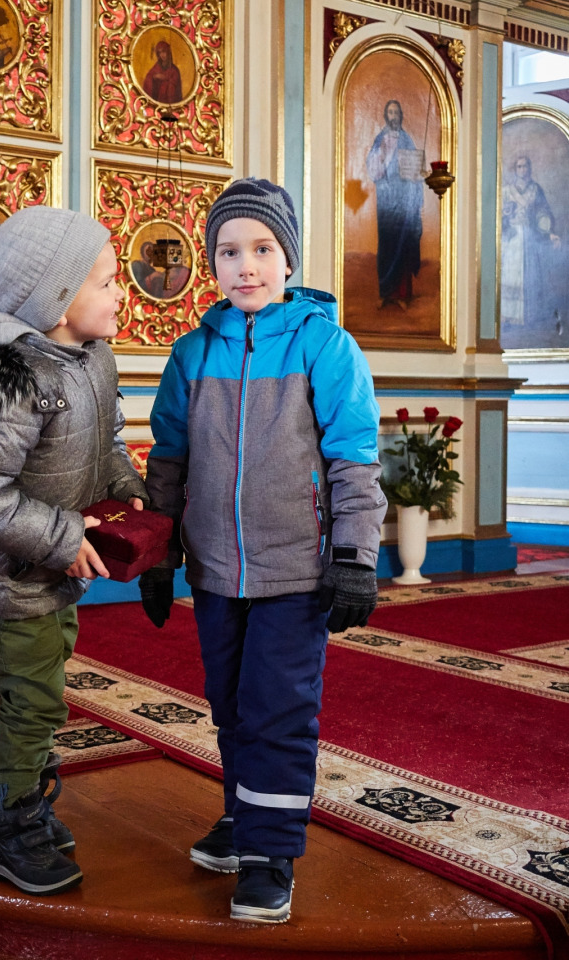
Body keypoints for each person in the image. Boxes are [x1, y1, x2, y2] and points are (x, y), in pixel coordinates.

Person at [139, 178, 386, 924]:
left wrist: (353, 555)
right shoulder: (190, 355)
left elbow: (352, 457)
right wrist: (157, 551)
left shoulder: (325, 345)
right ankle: (245, 817)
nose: (245, 265)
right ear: (211, 264)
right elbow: (168, 463)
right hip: (216, 571)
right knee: (231, 706)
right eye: (227, 251)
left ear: (288, 259)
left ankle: (270, 850)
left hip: (295, 571)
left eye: (261, 249)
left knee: (277, 709)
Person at [0, 206, 148, 897]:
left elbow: (100, 445)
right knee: (33, 703)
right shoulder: (8, 380)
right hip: (11, 572)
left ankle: (31, 800)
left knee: (42, 685)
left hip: (49, 568)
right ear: (55, 300)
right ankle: (10, 829)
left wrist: (124, 488)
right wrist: (67, 537)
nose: (120, 294)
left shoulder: (89, 358)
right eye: (105, 282)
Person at [366, 99, 425, 310]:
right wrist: (381, 153)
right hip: (386, 205)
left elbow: (415, 172)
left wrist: (417, 176)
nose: (393, 116)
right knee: (387, 246)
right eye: (390, 112)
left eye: (396, 112)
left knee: (404, 246)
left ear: (401, 116)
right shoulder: (379, 140)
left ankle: (402, 294)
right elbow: (374, 171)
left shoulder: (407, 140)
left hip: (404, 205)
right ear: (386, 116)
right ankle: (387, 293)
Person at [501, 154, 563, 332]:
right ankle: (509, 317)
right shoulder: (506, 191)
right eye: (519, 167)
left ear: (530, 168)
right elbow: (497, 216)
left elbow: (542, 213)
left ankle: (530, 316)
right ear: (515, 169)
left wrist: (549, 232)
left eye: (525, 166)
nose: (522, 170)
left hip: (529, 238)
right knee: (509, 275)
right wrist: (505, 215)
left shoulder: (536, 190)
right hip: (511, 239)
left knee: (531, 275)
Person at [142, 39, 183, 104]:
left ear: (168, 52)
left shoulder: (174, 70)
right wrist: (154, 77)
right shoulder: (156, 66)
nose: (162, 55)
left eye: (163, 52)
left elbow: (175, 89)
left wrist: (165, 79)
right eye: (159, 53)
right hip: (156, 102)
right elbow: (149, 77)